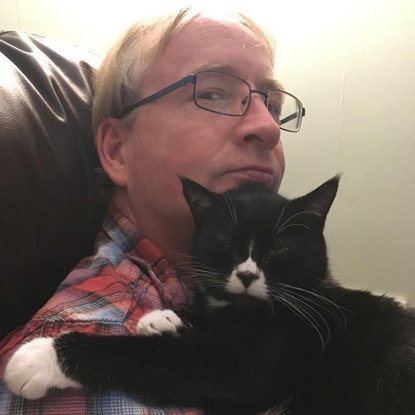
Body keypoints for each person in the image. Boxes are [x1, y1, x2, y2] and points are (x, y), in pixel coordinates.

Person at [0, 4, 305, 414]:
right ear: (117, 150)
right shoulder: (97, 365)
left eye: (272, 104)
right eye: (213, 92)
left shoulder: (262, 305)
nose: (268, 128)